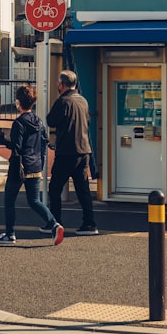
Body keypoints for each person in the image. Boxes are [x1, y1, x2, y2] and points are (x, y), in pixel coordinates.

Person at [0, 84, 64, 246]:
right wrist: (42, 164)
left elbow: (17, 148)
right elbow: (44, 143)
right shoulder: (39, 122)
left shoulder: (19, 123)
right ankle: (54, 224)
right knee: (35, 201)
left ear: (18, 102)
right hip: (36, 166)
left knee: (9, 200)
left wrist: (1, 140)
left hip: (19, 167)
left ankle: (10, 234)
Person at [46, 70, 98, 236]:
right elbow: (87, 121)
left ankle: (55, 223)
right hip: (84, 150)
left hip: (66, 151)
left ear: (61, 85)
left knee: (54, 189)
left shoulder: (63, 101)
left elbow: (50, 120)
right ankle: (89, 223)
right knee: (83, 189)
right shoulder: (82, 100)